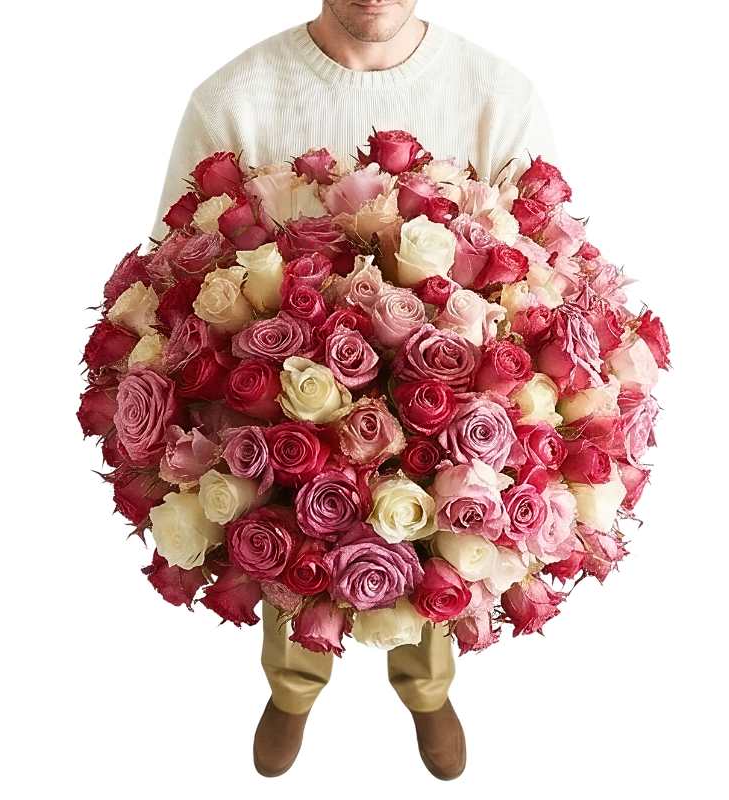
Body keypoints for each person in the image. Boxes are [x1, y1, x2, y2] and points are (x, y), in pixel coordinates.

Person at [153, 0, 557, 781]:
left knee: (448, 508)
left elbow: (543, 273)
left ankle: (426, 685)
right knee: (287, 508)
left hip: (445, 398)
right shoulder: (235, 99)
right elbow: (175, 266)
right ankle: (295, 683)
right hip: (289, 396)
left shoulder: (497, 95)